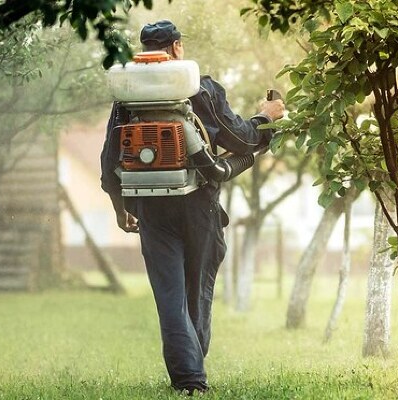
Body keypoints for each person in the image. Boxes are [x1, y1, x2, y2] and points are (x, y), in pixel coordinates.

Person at [99, 20, 285, 395]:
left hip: (149, 206)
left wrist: (121, 207)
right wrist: (266, 117)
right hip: (198, 201)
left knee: (169, 296)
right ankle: (192, 374)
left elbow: (110, 160)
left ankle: (188, 379)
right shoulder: (200, 87)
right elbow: (240, 138)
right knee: (197, 289)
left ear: (145, 51)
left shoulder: (127, 97)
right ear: (177, 48)